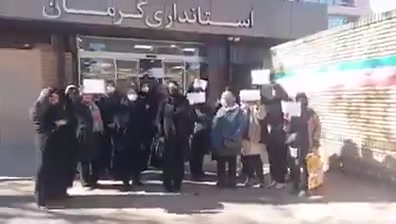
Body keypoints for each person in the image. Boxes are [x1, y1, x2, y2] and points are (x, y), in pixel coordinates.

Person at [30, 88, 77, 208]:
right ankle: (41, 197)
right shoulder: (38, 107)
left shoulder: (56, 107)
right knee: (43, 167)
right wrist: (55, 124)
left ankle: (56, 192)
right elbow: (40, 122)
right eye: (52, 98)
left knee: (55, 167)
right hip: (44, 139)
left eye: (56, 98)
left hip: (56, 141)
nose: (55, 100)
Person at [287, 92, 321, 197]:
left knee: (307, 166)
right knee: (295, 165)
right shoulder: (292, 112)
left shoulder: (311, 113)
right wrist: (287, 120)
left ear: (306, 100)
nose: (301, 101)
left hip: (308, 142)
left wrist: (315, 140)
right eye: (299, 99)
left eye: (303, 99)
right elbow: (288, 128)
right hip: (295, 143)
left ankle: (305, 187)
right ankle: (295, 186)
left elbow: (318, 127)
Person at [211, 90, 246, 188]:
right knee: (221, 163)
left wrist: (233, 137)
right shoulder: (221, 110)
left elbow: (241, 126)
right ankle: (221, 181)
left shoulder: (238, 111)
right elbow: (215, 124)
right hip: (221, 141)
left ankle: (231, 182)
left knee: (232, 163)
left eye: (225, 99)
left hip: (232, 141)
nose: (224, 101)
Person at [74, 92, 104, 189]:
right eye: (85, 96)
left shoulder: (95, 107)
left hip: (95, 133)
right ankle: (85, 180)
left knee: (95, 158)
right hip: (84, 135)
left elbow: (98, 120)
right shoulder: (78, 107)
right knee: (85, 159)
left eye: (89, 96)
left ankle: (94, 179)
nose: (88, 98)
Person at [265, 84, 289, 190]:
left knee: (280, 157)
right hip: (271, 132)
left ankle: (281, 179)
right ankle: (274, 179)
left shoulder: (285, 102)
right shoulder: (269, 102)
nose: (273, 92)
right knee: (272, 157)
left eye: (275, 90)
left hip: (280, 132)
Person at [187, 84, 213, 181]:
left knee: (200, 153)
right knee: (193, 154)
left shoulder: (206, 107)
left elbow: (210, 118)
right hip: (193, 133)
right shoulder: (190, 106)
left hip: (203, 132)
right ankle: (194, 172)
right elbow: (188, 118)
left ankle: (199, 171)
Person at [240, 100, 267, 188]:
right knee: (245, 159)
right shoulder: (243, 108)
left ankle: (261, 179)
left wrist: (258, 105)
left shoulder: (257, 109)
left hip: (255, 137)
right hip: (245, 138)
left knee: (255, 159)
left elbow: (262, 116)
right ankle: (249, 177)